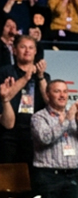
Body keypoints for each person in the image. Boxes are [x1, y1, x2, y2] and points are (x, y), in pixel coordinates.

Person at [30, 79, 78, 198]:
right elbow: (45, 138)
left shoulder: (74, 115)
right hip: (48, 177)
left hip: (72, 175)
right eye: (57, 91)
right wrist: (67, 120)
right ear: (48, 94)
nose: (62, 95)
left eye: (65, 91)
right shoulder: (39, 117)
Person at [0, 35, 48, 165]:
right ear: (14, 50)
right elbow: (5, 96)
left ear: (35, 51)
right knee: (7, 174)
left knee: (32, 174)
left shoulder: (43, 76)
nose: (27, 51)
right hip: (8, 133)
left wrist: (40, 77)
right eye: (23, 47)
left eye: (31, 48)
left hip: (34, 133)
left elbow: (49, 102)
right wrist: (26, 78)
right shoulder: (4, 72)